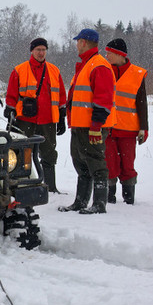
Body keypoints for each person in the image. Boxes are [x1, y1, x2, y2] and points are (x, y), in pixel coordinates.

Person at [58, 29, 116, 214]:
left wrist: (96, 127)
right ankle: (81, 202)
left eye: (77, 42)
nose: (76, 45)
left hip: (92, 127)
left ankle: (99, 204)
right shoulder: (86, 65)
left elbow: (103, 101)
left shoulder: (99, 65)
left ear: (83, 42)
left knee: (96, 163)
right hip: (79, 126)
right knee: (81, 164)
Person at [4, 38, 67, 193]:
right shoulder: (19, 70)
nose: (41, 53)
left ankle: (50, 187)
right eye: (38, 49)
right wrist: (10, 110)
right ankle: (20, 185)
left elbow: (61, 96)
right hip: (24, 120)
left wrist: (62, 115)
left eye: (43, 50)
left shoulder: (54, 70)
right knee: (20, 153)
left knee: (49, 154)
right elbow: (12, 94)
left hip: (48, 120)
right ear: (31, 51)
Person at [104, 38, 148, 205]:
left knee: (127, 165)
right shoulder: (104, 70)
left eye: (109, 53)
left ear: (118, 54)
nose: (106, 55)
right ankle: (109, 197)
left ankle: (129, 199)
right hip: (107, 128)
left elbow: (142, 103)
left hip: (128, 129)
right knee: (109, 163)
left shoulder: (137, 74)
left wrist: (144, 128)